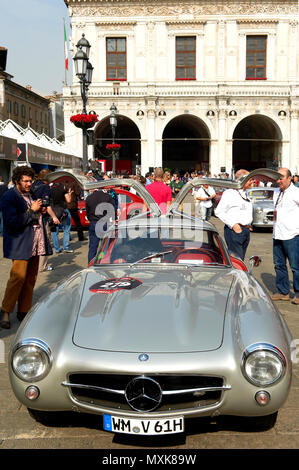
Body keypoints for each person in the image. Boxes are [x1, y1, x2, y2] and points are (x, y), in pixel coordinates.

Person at [0, 166, 52, 329]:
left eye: (31, 181)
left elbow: (35, 214)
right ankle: (5, 312)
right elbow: (12, 222)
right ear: (17, 181)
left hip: (36, 242)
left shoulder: (32, 194)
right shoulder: (9, 197)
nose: (29, 184)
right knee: (18, 278)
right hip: (21, 243)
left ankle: (24, 310)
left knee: (31, 279)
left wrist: (41, 211)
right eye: (26, 181)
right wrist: (32, 211)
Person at [271, 168, 299, 304]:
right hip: (278, 233)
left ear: (290, 179)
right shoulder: (276, 192)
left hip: (292, 234)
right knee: (279, 264)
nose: (279, 181)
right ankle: (283, 292)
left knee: (295, 266)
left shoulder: (296, 192)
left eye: (281, 178)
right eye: (277, 178)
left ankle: (298, 294)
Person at [214, 169, 253, 261]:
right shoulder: (230, 193)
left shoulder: (245, 193)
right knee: (236, 261)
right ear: (242, 180)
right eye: (249, 179)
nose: (252, 182)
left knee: (241, 260)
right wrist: (234, 225)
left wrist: (248, 225)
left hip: (245, 231)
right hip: (235, 232)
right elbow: (219, 211)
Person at [32, 169, 60, 271]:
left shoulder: (33, 184)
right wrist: (54, 217)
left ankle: (34, 265)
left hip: (31, 216)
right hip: (41, 218)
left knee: (34, 241)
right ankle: (42, 266)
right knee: (44, 240)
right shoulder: (45, 187)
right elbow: (46, 206)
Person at [85, 188, 115, 264]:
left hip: (94, 222)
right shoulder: (107, 197)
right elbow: (112, 210)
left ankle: (91, 263)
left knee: (93, 247)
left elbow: (87, 212)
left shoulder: (89, 197)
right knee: (106, 246)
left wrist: (91, 219)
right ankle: (105, 262)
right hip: (105, 222)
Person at [49, 181, 74, 254]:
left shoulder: (49, 189)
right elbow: (68, 201)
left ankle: (57, 249)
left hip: (53, 211)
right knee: (66, 229)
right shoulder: (63, 189)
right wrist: (69, 193)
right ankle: (65, 248)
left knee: (54, 231)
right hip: (63, 210)